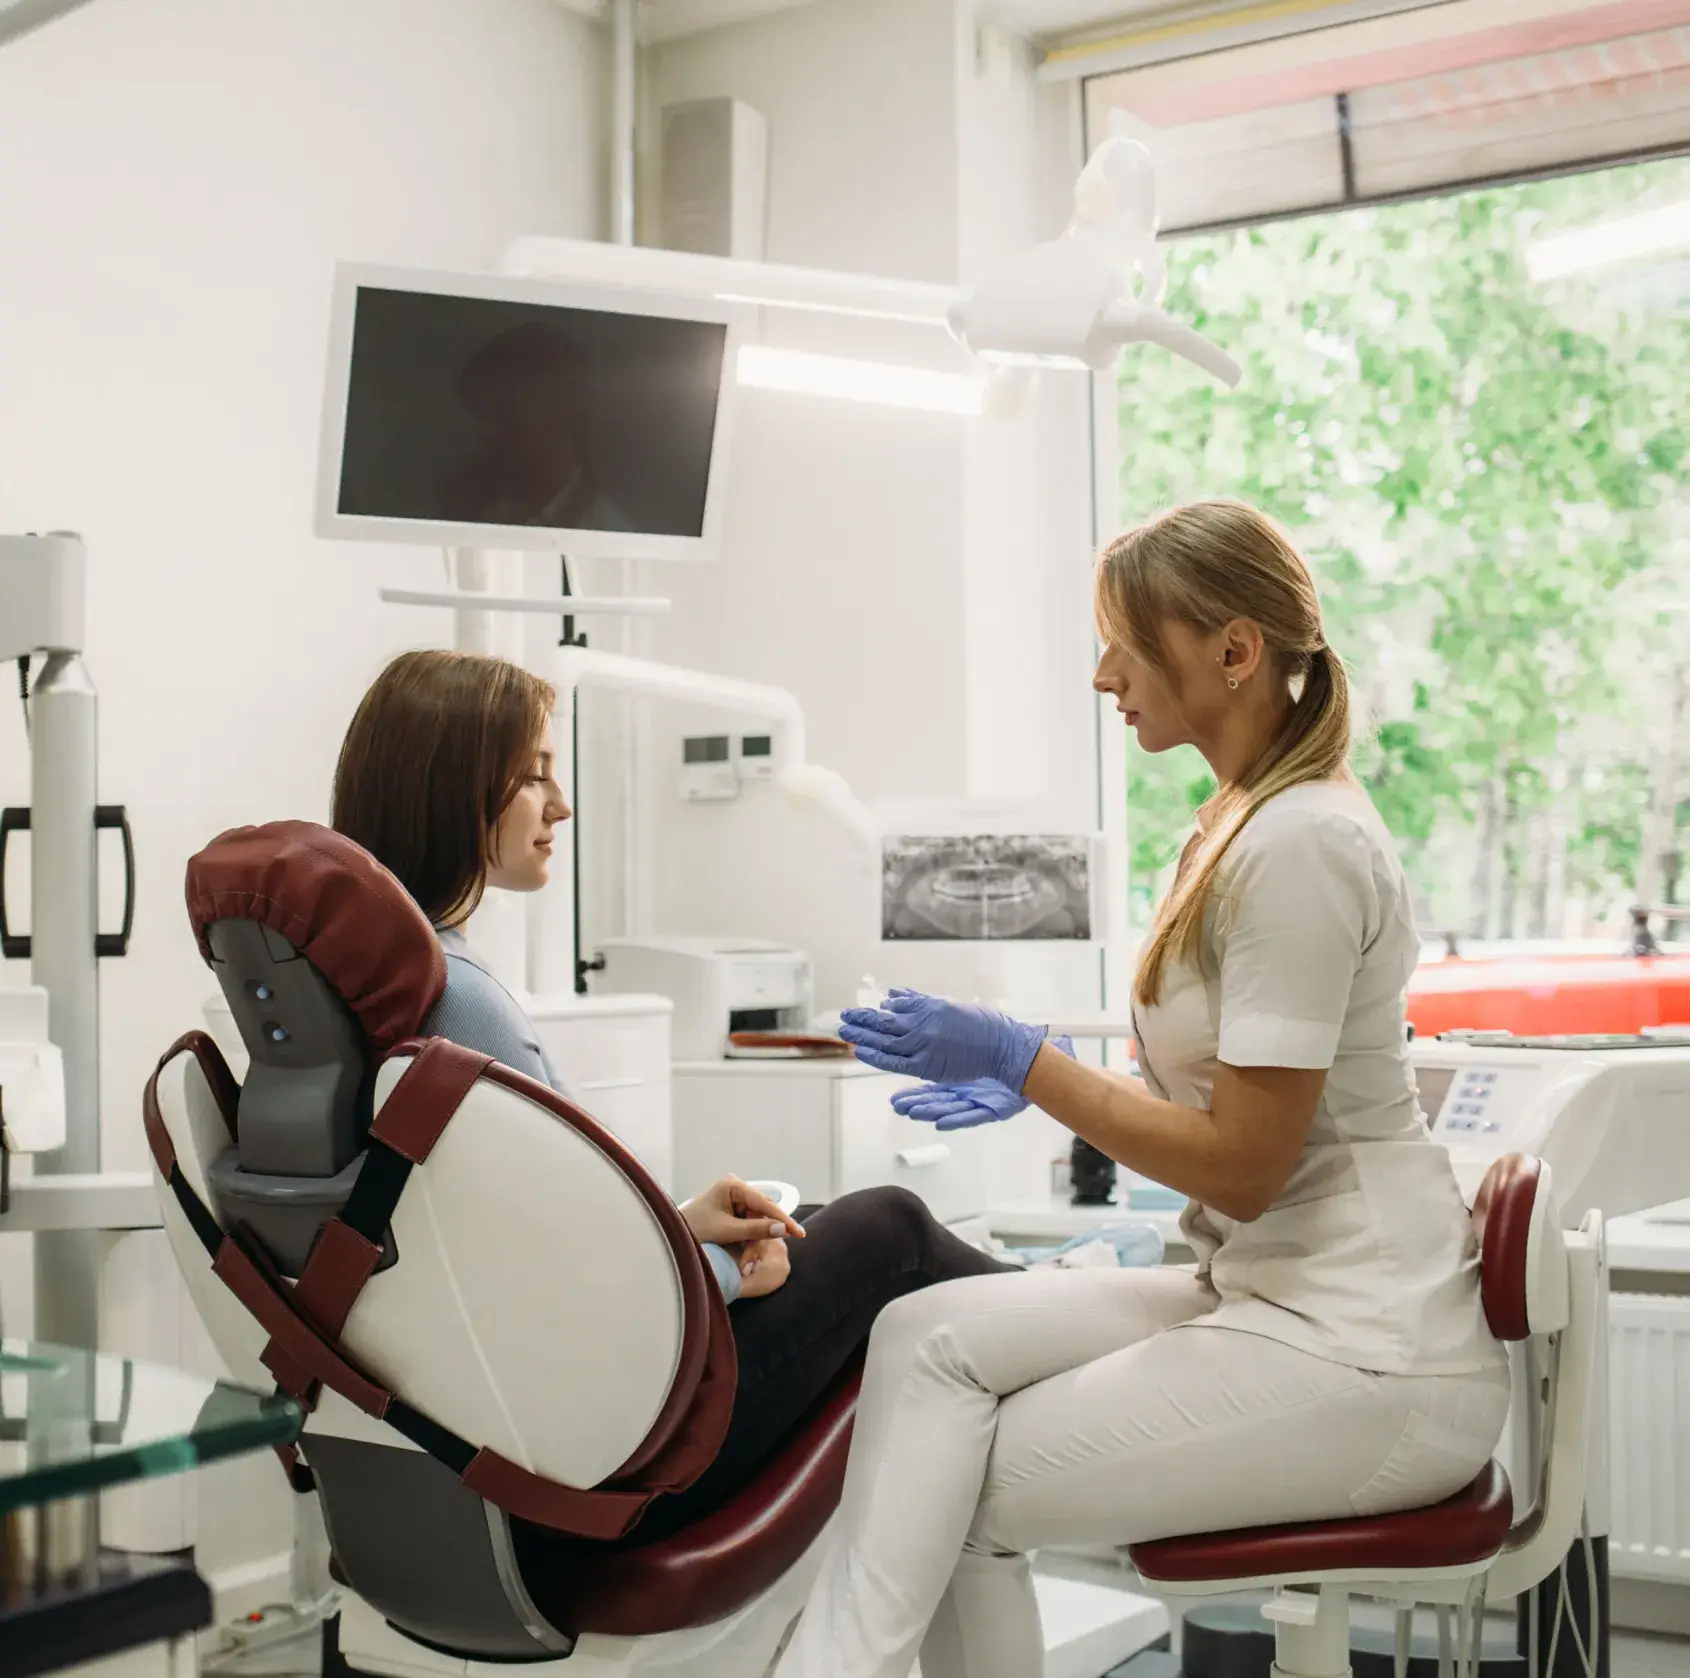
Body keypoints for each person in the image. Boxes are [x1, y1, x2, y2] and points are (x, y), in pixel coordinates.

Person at [774, 500, 1510, 1678]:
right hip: (1267, 1289)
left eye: (1124, 638)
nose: (1101, 673)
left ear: (1234, 650)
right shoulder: (1231, 827)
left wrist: (1032, 1064)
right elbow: (1230, 1100)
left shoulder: (1300, 845)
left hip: (1367, 1346)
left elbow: (1245, 1164)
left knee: (945, 1481)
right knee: (917, 1335)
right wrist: (1038, 1084)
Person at [329, 647, 1014, 1540]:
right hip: (615, 1444)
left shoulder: (363, 991)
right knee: (892, 1230)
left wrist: (684, 1232)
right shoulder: (460, 1002)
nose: (561, 805)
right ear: (453, 788)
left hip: (505, 1429)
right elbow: (571, 1286)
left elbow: (509, 1246)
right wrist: (722, 1272)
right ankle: (1080, 1338)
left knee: (818, 1223)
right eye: (534, 777)